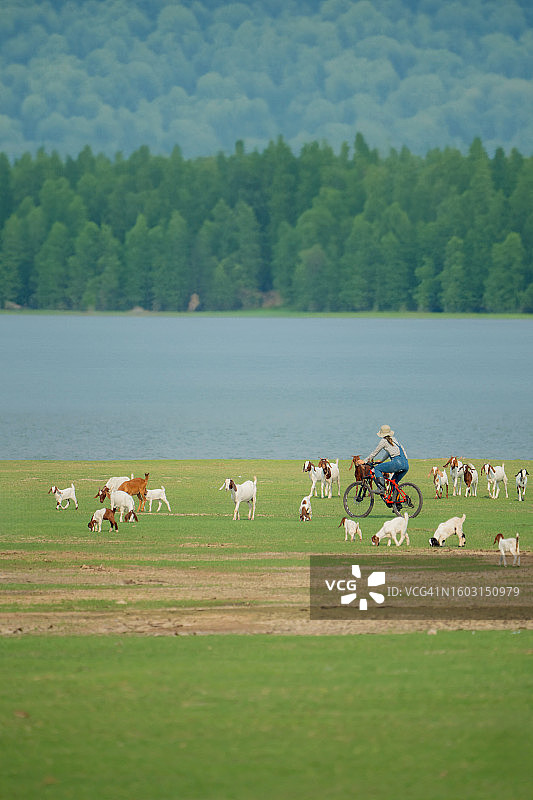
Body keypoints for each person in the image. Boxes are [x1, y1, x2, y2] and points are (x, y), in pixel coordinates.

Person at [363, 424, 409, 495]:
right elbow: (389, 453)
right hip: (406, 464)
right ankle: (397, 503)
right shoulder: (394, 439)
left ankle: (381, 489)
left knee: (377, 469)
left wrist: (364, 461)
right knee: (394, 482)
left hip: (397, 462)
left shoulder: (383, 441)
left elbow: (374, 453)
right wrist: (382, 461)